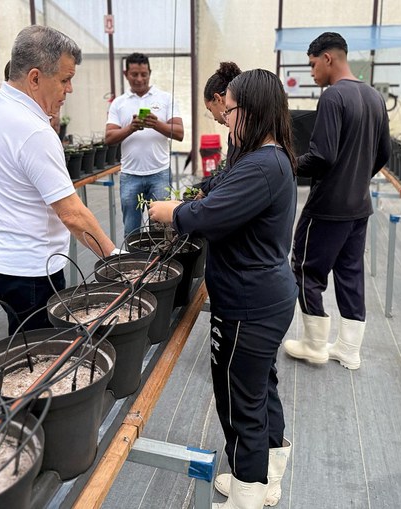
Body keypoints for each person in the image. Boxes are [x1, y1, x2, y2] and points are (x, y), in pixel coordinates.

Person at [148, 69, 297, 509]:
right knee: (260, 388)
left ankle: (248, 494)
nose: (224, 119)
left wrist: (172, 211)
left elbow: (209, 216)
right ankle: (265, 478)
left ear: (251, 111)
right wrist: (196, 194)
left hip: (248, 305)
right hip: (264, 298)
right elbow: (219, 188)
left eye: (228, 111)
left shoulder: (263, 166)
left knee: (239, 403)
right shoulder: (264, 157)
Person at [0, 26, 117, 335]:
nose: (70, 89)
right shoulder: (34, 131)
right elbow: (72, 214)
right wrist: (114, 259)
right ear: (35, 78)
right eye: (65, 79)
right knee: (44, 349)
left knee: (23, 338)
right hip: (31, 271)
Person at [285, 32, 391, 370]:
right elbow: (384, 153)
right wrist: (357, 177)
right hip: (359, 206)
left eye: (312, 64)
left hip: (328, 206)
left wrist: (286, 163)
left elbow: (322, 156)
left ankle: (314, 344)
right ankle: (349, 349)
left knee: (305, 268)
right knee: (350, 272)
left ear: (328, 58)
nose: (312, 72)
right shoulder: (374, 97)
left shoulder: (333, 97)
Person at [105, 53, 184, 237]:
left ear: (150, 72)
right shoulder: (119, 103)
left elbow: (179, 133)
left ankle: (159, 256)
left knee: (160, 229)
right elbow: (109, 137)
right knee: (131, 230)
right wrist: (131, 128)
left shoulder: (165, 98)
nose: (139, 79)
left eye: (144, 74)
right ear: (126, 74)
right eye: (134, 74)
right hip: (130, 175)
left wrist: (155, 124)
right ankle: (133, 255)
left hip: (160, 173)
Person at [197, 61, 241, 196]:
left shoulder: (241, 132)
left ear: (218, 99)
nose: (214, 118)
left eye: (210, 110)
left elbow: (232, 174)